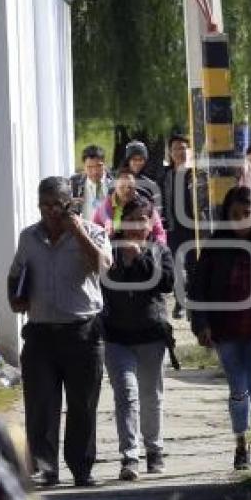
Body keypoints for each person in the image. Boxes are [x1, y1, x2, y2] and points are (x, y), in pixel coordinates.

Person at [7, 176, 113, 488]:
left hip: (83, 333)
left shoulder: (93, 232)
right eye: (44, 204)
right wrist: (15, 296)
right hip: (40, 333)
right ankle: (44, 467)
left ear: (71, 204)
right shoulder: (29, 237)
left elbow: (104, 267)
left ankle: (81, 467)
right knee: (40, 404)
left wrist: (77, 231)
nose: (50, 211)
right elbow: (15, 274)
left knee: (82, 405)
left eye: (56, 204)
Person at [189, 186, 251, 474]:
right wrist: (201, 324)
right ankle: (242, 443)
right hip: (227, 333)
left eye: (247, 214)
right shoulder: (215, 247)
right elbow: (198, 289)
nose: (242, 220)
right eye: (235, 215)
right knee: (238, 393)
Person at [101, 195, 175, 481]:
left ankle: (154, 449)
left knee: (151, 395)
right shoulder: (109, 249)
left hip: (151, 336)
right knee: (126, 395)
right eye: (130, 220)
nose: (136, 226)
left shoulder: (160, 251)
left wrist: (141, 258)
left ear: (150, 223)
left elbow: (166, 283)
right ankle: (129, 455)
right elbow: (103, 282)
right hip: (117, 336)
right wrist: (124, 259)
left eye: (142, 220)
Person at [161, 133, 204, 319]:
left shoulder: (197, 174)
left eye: (185, 148)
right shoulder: (166, 175)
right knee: (176, 267)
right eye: (177, 148)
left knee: (194, 267)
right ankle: (180, 302)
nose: (181, 151)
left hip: (193, 228)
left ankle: (194, 304)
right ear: (170, 153)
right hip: (173, 228)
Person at [94, 167, 168, 245]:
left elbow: (159, 233)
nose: (126, 190)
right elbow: (93, 232)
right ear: (115, 186)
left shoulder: (146, 206)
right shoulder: (105, 207)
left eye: (130, 187)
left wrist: (158, 250)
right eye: (122, 187)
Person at [71, 145, 114, 222]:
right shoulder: (74, 183)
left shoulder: (115, 182)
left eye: (99, 166)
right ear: (84, 166)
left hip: (109, 230)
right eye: (90, 167)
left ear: (105, 164)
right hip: (84, 231)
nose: (95, 171)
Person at [121, 140, 162, 212]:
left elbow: (158, 211)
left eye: (140, 159)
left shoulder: (151, 185)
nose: (137, 163)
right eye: (134, 159)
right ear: (128, 161)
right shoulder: (118, 182)